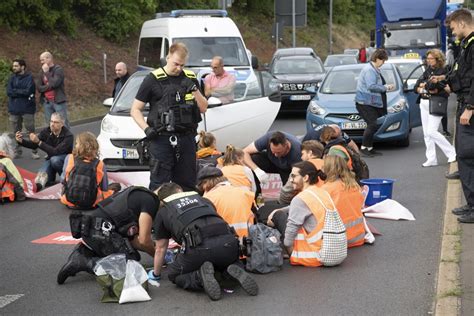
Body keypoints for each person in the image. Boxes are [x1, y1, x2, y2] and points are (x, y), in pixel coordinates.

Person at [151, 182, 258, 301]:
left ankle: (198, 278)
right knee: (231, 261)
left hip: (198, 249)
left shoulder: (163, 211)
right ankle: (229, 273)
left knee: (174, 274)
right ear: (180, 190)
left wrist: (156, 274)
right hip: (229, 243)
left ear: (162, 200)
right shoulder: (204, 200)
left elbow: (160, 249)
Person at [130, 42, 208, 191]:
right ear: (168, 57)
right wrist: (146, 129)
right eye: (176, 64)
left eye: (182, 65)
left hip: (186, 140)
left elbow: (203, 108)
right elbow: (135, 109)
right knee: (160, 185)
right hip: (161, 140)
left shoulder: (190, 78)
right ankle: (159, 214)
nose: (179, 69)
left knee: (187, 184)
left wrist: (194, 89)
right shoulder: (152, 79)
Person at [57, 185, 160, 284]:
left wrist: (155, 247)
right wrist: (158, 257)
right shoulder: (151, 202)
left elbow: (134, 242)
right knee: (128, 267)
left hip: (93, 229)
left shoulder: (141, 194)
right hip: (98, 231)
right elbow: (144, 241)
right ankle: (82, 261)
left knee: (133, 256)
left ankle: (87, 253)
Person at [268, 161, 343, 267]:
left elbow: (289, 237)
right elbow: (302, 207)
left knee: (279, 216)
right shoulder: (322, 193)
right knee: (280, 212)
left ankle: (293, 255)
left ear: (305, 177)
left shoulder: (299, 199)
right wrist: (279, 210)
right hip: (333, 251)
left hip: (314, 256)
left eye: (293, 176)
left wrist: (290, 250)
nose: (290, 180)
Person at [443, 9, 474, 223]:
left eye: (453, 28)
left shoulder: (472, 45)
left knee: (467, 156)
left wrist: (471, 106)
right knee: (464, 156)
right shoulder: (466, 45)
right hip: (465, 104)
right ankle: (471, 204)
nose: (453, 33)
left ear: (462, 23)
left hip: (469, 108)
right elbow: (463, 75)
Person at [414, 49, 456, 167]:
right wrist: (424, 87)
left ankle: (452, 152)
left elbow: (442, 89)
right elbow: (416, 86)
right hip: (424, 103)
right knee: (426, 134)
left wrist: (428, 85)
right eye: (427, 59)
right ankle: (431, 158)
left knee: (432, 131)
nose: (428, 61)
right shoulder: (427, 70)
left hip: (436, 103)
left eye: (431, 58)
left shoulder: (444, 70)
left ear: (438, 59)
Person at [15, 112, 73, 191]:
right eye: (51, 121)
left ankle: (65, 179)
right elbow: (34, 145)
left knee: (55, 159)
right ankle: (48, 181)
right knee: (41, 178)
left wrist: (39, 142)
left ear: (62, 124)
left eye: (55, 122)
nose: (52, 124)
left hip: (65, 161)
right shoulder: (46, 131)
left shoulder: (68, 136)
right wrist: (21, 141)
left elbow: (56, 152)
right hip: (50, 159)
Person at [60, 132, 119, 209]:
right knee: (116, 187)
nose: (75, 145)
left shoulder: (69, 158)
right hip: (91, 202)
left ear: (80, 146)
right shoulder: (99, 164)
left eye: (77, 143)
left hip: (69, 201)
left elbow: (63, 180)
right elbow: (104, 187)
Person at [355, 48, 395, 157]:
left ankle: (369, 147)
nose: (383, 63)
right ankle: (363, 148)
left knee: (372, 124)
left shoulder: (374, 68)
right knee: (372, 124)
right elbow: (371, 86)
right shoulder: (370, 70)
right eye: (383, 61)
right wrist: (385, 87)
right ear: (377, 59)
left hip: (369, 102)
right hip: (364, 102)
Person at [197, 166, 254, 239]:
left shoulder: (208, 198)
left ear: (205, 183)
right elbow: (255, 214)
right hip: (250, 240)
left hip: (227, 242)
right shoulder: (245, 192)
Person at [322, 155, 366, 248]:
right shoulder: (354, 185)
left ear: (328, 168)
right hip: (358, 237)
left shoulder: (326, 189)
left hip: (338, 240)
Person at [6, 59, 39, 159]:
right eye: (13, 66)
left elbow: (29, 91)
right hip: (14, 109)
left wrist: (16, 91)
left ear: (22, 67)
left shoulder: (29, 78)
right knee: (17, 131)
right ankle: (18, 150)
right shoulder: (12, 78)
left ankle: (34, 150)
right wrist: (21, 91)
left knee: (31, 130)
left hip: (27, 108)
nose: (14, 68)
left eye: (16, 66)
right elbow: (9, 92)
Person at [279, 140, 325, 205]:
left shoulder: (301, 168)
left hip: (306, 203)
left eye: (303, 154)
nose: (301, 157)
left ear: (310, 153)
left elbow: (287, 192)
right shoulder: (327, 165)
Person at [37, 52, 69, 128]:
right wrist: (49, 86)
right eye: (40, 60)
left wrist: (47, 73)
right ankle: (54, 140)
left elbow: (55, 84)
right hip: (47, 102)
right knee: (50, 124)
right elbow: (39, 88)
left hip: (58, 101)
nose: (41, 62)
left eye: (43, 60)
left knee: (63, 123)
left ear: (49, 58)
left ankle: (66, 139)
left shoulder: (58, 69)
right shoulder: (41, 72)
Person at [0, 133, 25, 202]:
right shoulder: (6, 161)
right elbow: (16, 180)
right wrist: (21, 196)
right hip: (5, 196)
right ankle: (39, 184)